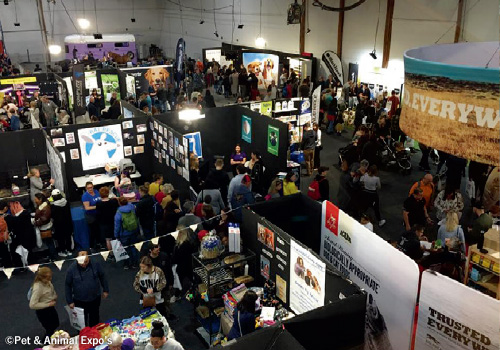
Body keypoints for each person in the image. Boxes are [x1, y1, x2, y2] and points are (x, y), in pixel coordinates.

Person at [65, 250, 109, 327]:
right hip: (80, 300)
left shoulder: (96, 264)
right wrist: (69, 301)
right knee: (81, 323)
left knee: (95, 319)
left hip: (95, 298)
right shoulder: (71, 269)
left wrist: (106, 289)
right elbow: (67, 285)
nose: (84, 264)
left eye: (86, 262)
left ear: (89, 257)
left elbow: (102, 276)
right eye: (81, 263)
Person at [29, 267, 59, 338]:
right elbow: (32, 305)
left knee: (56, 323)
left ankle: (52, 337)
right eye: (48, 278)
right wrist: (48, 304)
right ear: (41, 278)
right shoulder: (38, 288)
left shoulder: (47, 282)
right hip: (43, 312)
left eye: (50, 277)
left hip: (50, 308)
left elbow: (51, 290)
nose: (50, 279)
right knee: (49, 328)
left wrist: (54, 296)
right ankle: (45, 341)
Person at [114, 197, 139, 269]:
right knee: (133, 247)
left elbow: (117, 226)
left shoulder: (118, 213)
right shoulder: (132, 207)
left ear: (119, 203)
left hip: (124, 234)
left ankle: (127, 264)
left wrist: (116, 236)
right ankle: (135, 263)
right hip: (134, 231)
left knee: (125, 249)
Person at [95, 187, 119, 257]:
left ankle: (111, 254)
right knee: (115, 237)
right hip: (113, 222)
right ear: (108, 193)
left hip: (104, 223)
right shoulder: (113, 201)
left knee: (108, 239)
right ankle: (117, 253)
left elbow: (98, 214)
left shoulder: (98, 203)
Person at [33, 193, 57, 261]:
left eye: (36, 199)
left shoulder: (44, 208)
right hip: (45, 227)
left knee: (49, 243)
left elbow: (44, 219)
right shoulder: (42, 206)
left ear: (40, 199)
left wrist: (36, 222)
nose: (35, 200)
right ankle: (52, 255)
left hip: (46, 228)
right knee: (49, 243)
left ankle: (53, 257)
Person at [50, 189, 73, 257]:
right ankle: (69, 250)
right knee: (68, 237)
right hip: (68, 223)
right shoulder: (66, 202)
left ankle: (62, 251)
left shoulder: (53, 206)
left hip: (58, 225)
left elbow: (53, 216)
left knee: (60, 238)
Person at [172, 229, 196, 294]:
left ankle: (188, 298)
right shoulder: (189, 243)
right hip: (190, 267)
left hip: (182, 269)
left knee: (185, 287)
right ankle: (191, 298)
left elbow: (175, 259)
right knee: (191, 285)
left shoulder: (178, 246)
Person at [82, 182, 102, 250]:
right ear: (86, 188)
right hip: (90, 216)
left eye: (91, 187)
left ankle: (99, 243)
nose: (90, 189)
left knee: (98, 230)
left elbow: (101, 199)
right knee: (93, 231)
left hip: (98, 214)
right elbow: (87, 208)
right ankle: (91, 246)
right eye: (88, 188)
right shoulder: (85, 196)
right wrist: (98, 207)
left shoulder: (96, 191)